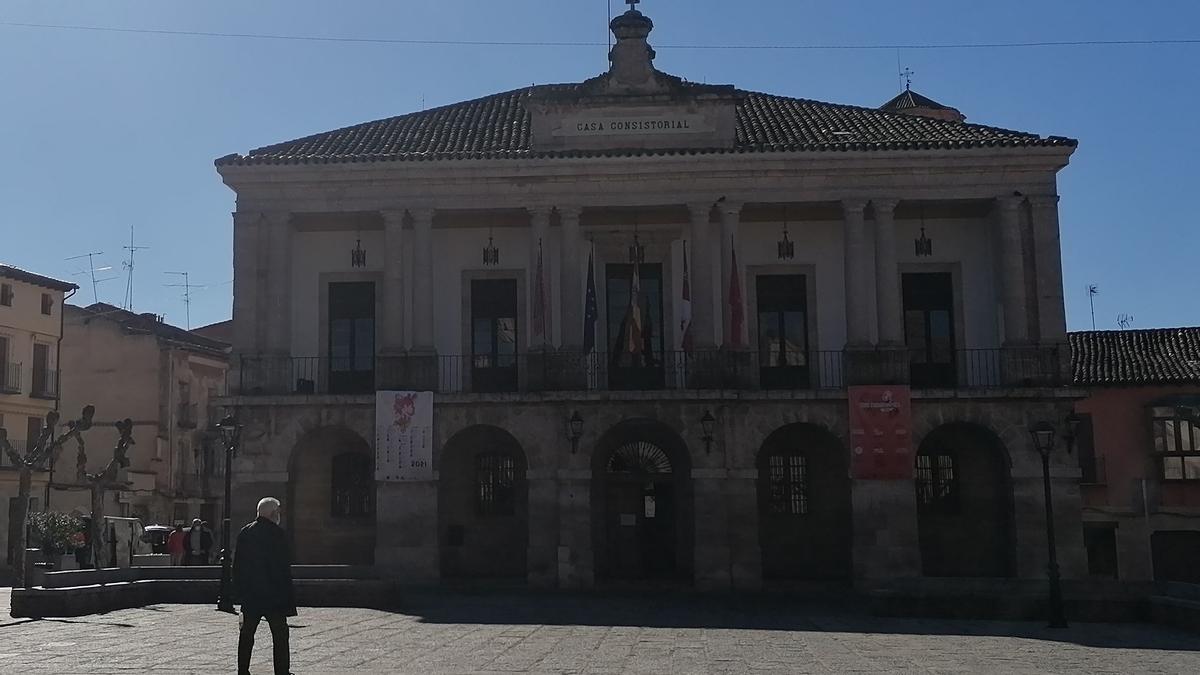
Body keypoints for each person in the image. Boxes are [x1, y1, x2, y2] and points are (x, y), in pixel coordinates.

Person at [234, 497, 295, 675]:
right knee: (280, 635)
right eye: (278, 512)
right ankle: (282, 671)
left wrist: (240, 592)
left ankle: (242, 670)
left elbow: (237, 566)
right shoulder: (278, 534)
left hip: (251, 595)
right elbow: (283, 567)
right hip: (274, 596)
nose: (279, 515)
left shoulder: (245, 532)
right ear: (272, 513)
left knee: (246, 635)